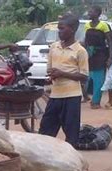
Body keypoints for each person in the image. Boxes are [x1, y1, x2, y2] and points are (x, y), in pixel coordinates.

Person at [38, 14, 89, 146]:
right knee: (46, 130)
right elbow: (50, 69)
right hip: (55, 95)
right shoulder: (54, 47)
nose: (59, 32)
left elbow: (84, 76)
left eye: (62, 29)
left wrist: (62, 73)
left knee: (71, 133)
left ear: (72, 29)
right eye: (58, 29)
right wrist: (51, 77)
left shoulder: (80, 51)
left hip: (72, 96)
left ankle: (72, 161)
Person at [84, 5, 112, 109]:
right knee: (89, 78)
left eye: (91, 11)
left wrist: (110, 57)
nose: (89, 13)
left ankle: (96, 102)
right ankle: (89, 97)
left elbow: (110, 42)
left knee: (98, 79)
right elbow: (86, 41)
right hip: (89, 55)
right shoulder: (87, 25)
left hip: (100, 55)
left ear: (97, 13)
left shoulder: (103, 26)